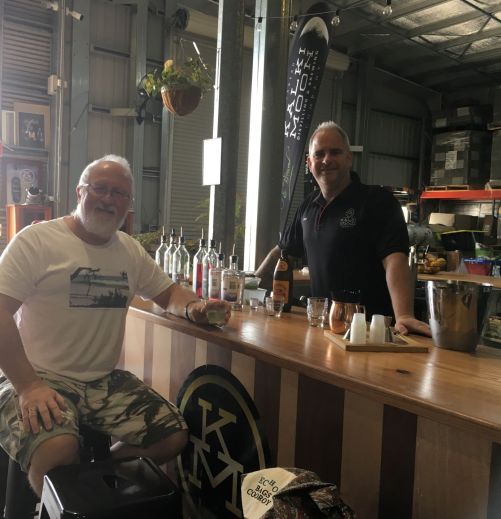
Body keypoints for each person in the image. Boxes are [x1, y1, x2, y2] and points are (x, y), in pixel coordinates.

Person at [0, 154, 231, 496]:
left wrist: (195, 308)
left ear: (128, 204)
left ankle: (94, 483)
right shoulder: (36, 241)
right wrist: (29, 385)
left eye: (119, 193)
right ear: (80, 191)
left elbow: (169, 294)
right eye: (100, 188)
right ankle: (65, 499)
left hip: (101, 381)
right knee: (57, 449)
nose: (108, 199)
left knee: (172, 436)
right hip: (35, 376)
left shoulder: (129, 251)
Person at [255, 121, 430, 336]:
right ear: (309, 163)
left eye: (335, 152)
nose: (327, 160)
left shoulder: (377, 201)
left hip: (368, 333)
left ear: (349, 158)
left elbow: (395, 259)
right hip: (324, 328)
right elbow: (282, 251)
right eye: (319, 154)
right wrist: (251, 283)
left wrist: (404, 315)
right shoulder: (308, 207)